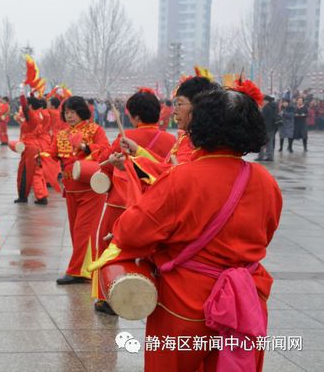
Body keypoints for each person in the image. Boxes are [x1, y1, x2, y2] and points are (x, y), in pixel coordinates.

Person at [99, 85, 281, 371]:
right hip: (244, 303)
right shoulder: (265, 180)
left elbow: (133, 230)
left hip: (185, 305)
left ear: (201, 124)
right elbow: (265, 234)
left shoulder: (183, 178)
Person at [92, 89, 176, 313]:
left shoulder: (126, 138)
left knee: (108, 246)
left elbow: (104, 163)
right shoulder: (171, 140)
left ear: (136, 117)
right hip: (155, 204)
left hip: (121, 201)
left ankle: (108, 296)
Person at [43, 96, 110, 284]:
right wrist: (42, 156)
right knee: (75, 231)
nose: (70, 116)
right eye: (67, 112)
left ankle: (76, 270)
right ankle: (86, 269)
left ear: (81, 112)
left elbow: (105, 150)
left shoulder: (95, 130)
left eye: (73, 112)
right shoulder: (61, 134)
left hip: (91, 188)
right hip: (71, 189)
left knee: (83, 230)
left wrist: (84, 146)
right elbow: (52, 153)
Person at [257, 95, 279, 161]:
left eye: (263, 100)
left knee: (263, 142)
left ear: (267, 101)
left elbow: (262, 117)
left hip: (266, 127)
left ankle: (261, 156)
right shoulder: (273, 107)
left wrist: (260, 111)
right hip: (272, 127)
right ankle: (270, 156)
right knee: (270, 142)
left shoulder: (266, 107)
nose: (263, 102)